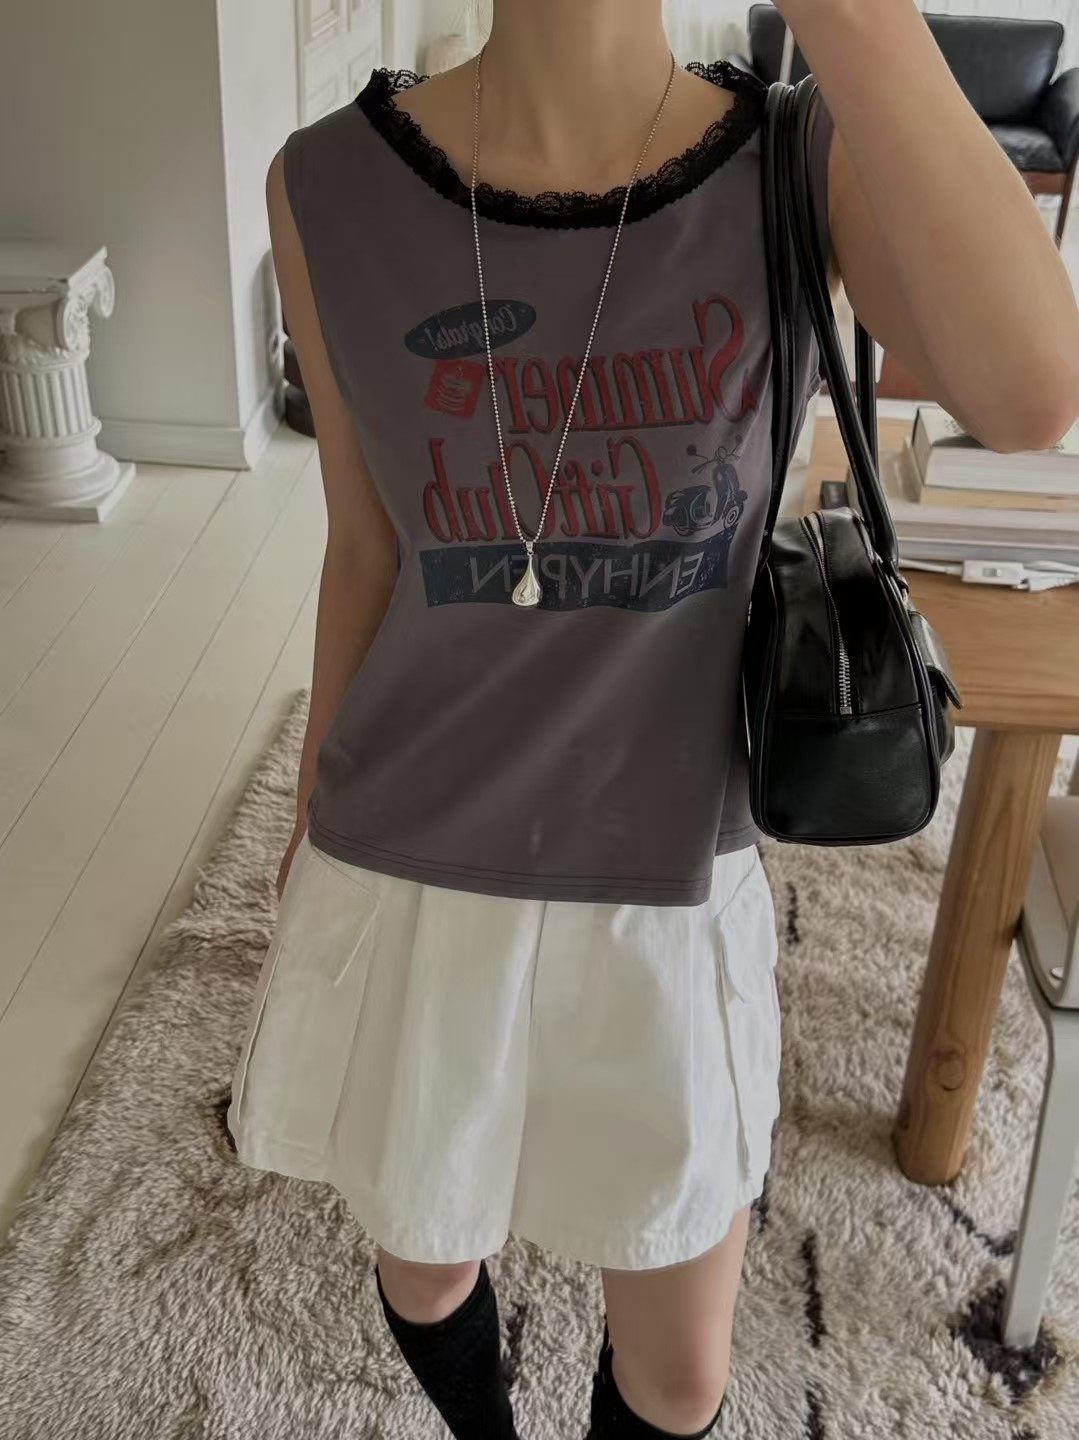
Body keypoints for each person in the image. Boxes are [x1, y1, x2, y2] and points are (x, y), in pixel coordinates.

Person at [226, 1, 1079, 1436]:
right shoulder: (324, 183)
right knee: (424, 1263)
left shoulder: (794, 164)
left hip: (669, 873)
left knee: (679, 1375)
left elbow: (1032, 390)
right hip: (415, 853)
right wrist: (315, 804)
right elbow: (363, 547)